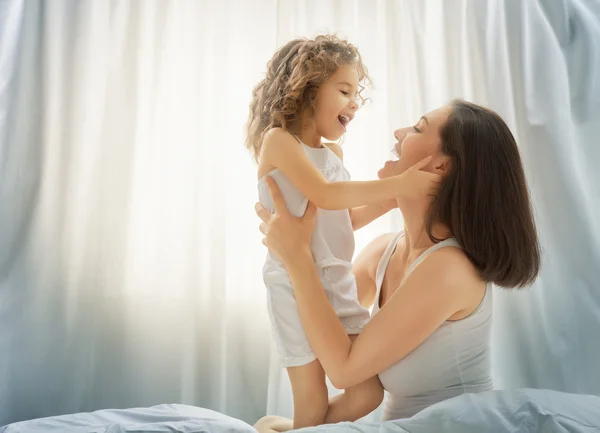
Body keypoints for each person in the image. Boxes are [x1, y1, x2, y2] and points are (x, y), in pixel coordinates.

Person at [254, 100, 541, 429]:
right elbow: (321, 317)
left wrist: (297, 256)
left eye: (417, 128)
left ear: (439, 168)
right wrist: (291, 238)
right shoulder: (385, 251)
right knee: (267, 424)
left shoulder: (449, 269)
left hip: (459, 426)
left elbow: (344, 368)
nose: (399, 132)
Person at [245, 35, 438, 430]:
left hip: (337, 284)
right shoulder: (279, 141)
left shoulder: (333, 154)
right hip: (294, 286)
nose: (354, 103)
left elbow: (341, 218)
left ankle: (285, 429)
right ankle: (302, 425)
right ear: (309, 89)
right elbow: (327, 196)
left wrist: (389, 201)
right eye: (345, 90)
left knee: (368, 392)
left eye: (356, 94)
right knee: (313, 399)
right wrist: (399, 186)